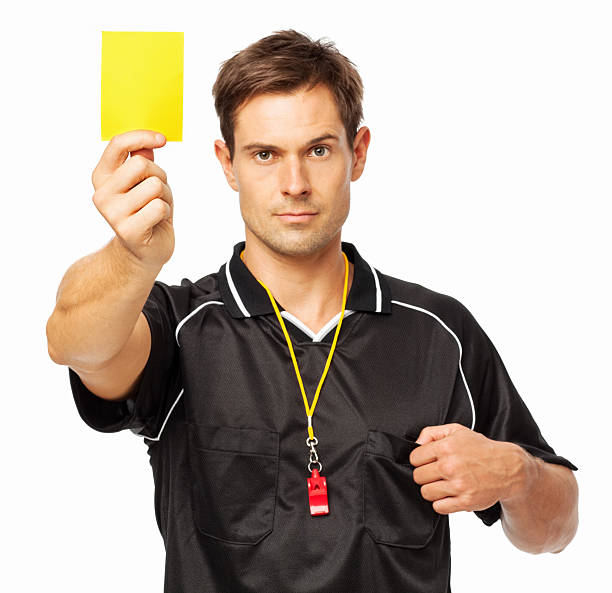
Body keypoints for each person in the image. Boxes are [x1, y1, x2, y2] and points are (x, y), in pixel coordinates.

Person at [46, 29, 579, 593]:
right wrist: (132, 257)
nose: (294, 184)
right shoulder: (179, 327)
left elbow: (558, 529)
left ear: (359, 152)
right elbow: (74, 343)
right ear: (228, 164)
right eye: (265, 154)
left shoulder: (438, 333)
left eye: (318, 150)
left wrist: (517, 477)